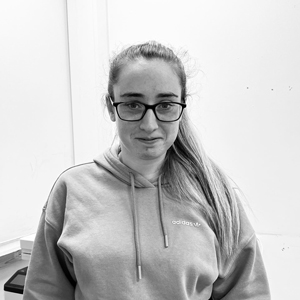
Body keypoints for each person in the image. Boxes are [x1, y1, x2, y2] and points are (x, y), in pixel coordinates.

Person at [23, 41, 271, 299]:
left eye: (165, 105)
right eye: (133, 105)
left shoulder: (214, 193)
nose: (149, 124)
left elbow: (248, 292)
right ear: (111, 107)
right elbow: (44, 293)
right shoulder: (72, 189)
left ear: (181, 107)